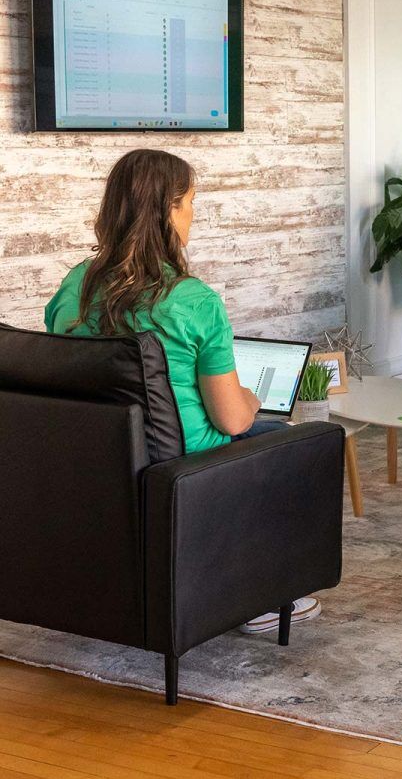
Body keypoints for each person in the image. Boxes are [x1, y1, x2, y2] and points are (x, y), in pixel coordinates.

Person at [44, 148, 320, 634]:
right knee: (284, 436)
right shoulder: (193, 301)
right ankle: (258, 593)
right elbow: (231, 421)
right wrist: (252, 399)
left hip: (91, 464)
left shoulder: (73, 289)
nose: (193, 214)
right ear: (168, 211)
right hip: (176, 467)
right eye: (191, 201)